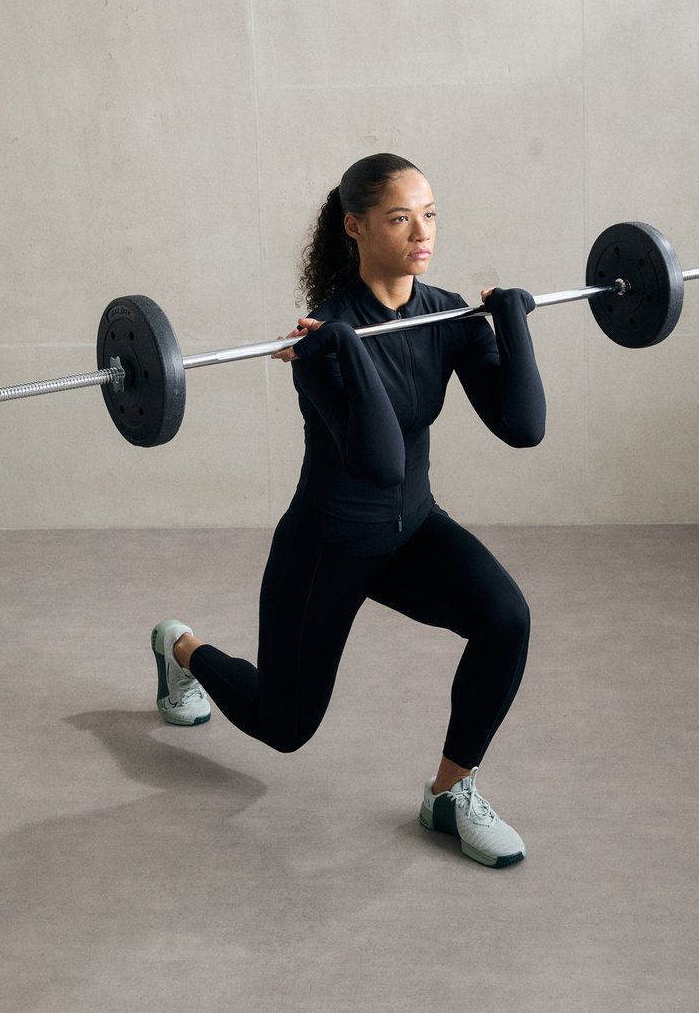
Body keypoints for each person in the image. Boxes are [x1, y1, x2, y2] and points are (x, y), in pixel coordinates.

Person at [150, 153, 546, 868]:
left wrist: (510, 322)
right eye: (400, 218)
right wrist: (339, 353)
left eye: (429, 214)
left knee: (506, 618)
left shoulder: (448, 312)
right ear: (355, 227)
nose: (421, 232)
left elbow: (523, 426)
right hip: (328, 546)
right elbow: (378, 459)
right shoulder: (320, 337)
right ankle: (180, 648)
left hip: (411, 532)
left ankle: (450, 794)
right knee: (285, 724)